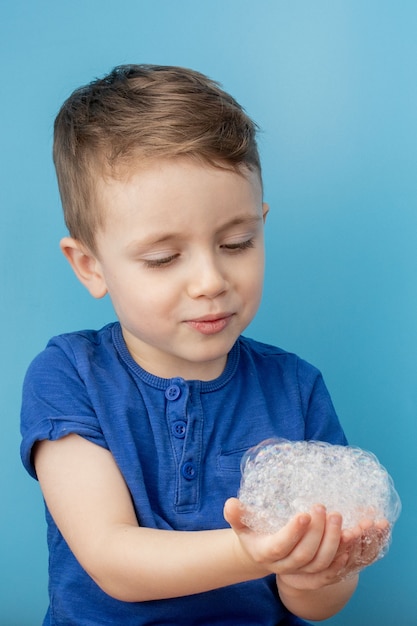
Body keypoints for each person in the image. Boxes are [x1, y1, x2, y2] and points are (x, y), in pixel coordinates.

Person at [20, 64, 387, 626]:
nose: (211, 281)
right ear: (90, 266)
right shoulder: (67, 376)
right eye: (164, 258)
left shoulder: (296, 388)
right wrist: (254, 550)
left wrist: (314, 570)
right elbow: (113, 559)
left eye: (237, 242)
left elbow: (317, 607)